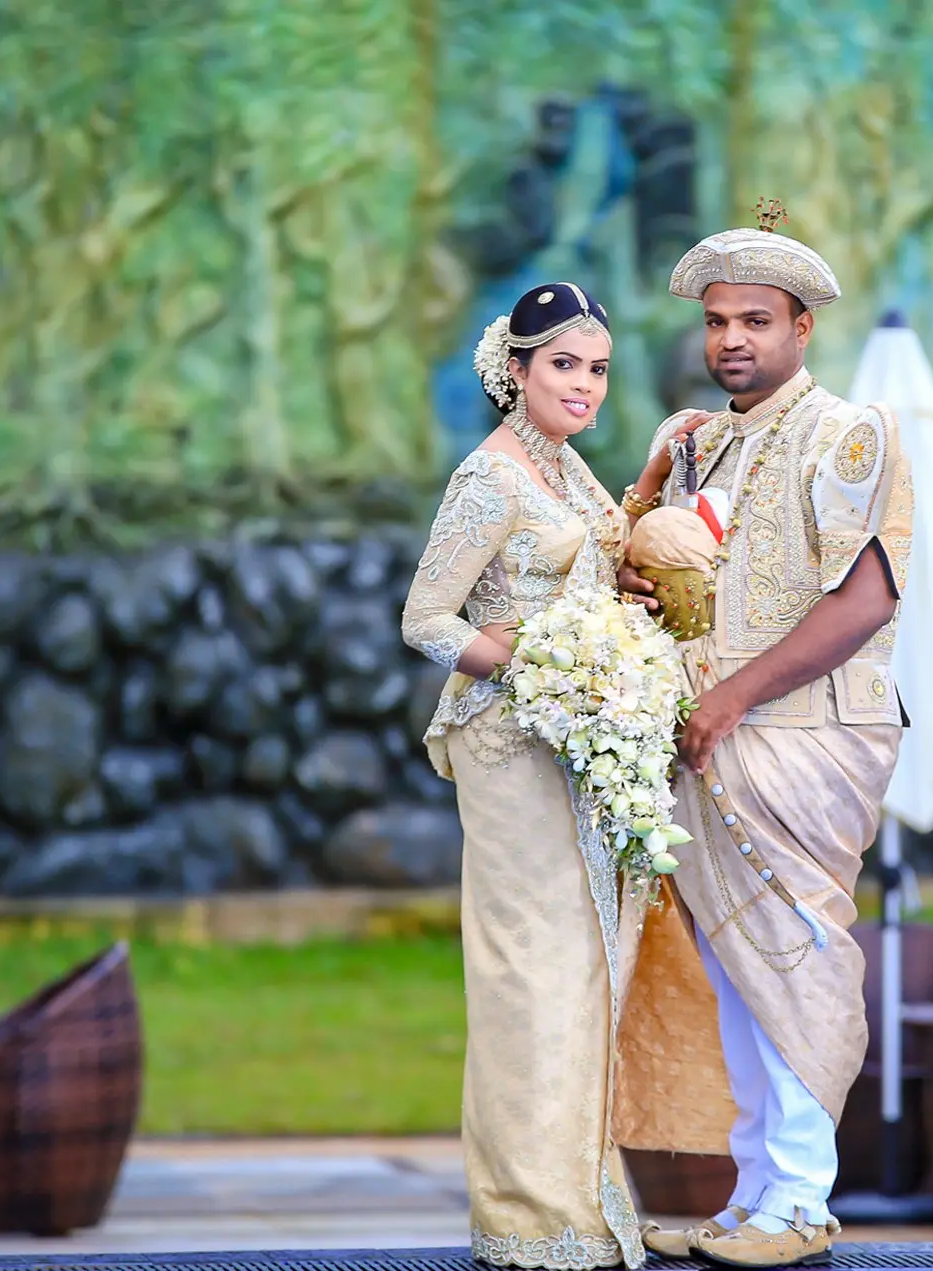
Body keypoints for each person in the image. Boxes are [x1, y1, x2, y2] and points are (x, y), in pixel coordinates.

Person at [612, 205, 915, 1269]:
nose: (731, 340)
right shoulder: (695, 443)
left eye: (754, 321)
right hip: (706, 734)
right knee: (738, 965)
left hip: (805, 733)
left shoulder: (848, 433)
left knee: (792, 949)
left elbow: (867, 599)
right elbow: (669, 582)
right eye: (716, 322)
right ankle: (752, 1197)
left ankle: (801, 1197)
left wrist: (732, 693)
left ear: (800, 329)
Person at [401, 282, 695, 1270]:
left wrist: (651, 495)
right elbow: (426, 620)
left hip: (577, 743)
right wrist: (532, 665)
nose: (582, 384)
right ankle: (528, 1215)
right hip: (508, 748)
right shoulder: (488, 478)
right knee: (532, 973)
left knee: (588, 967)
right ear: (516, 369)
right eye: (563, 364)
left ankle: (585, 1197)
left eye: (597, 368)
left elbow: (607, 563)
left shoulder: (569, 471)